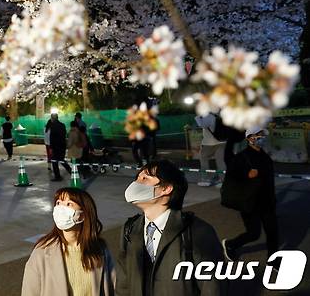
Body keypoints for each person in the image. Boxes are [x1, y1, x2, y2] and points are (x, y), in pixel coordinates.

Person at [116, 159, 225, 296]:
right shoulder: (130, 229)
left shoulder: (197, 232)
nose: (136, 183)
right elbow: (123, 283)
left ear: (166, 188)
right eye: (137, 178)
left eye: (145, 178)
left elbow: (213, 287)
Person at [22, 187, 115, 296]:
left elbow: (113, 286)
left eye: (68, 204)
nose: (60, 208)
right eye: (58, 203)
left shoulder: (100, 249)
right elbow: (30, 292)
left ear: (82, 215)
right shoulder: (42, 251)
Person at [222, 126, 278, 261]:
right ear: (249, 138)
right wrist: (246, 175)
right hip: (250, 202)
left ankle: (273, 260)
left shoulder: (265, 156)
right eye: (258, 135)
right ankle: (230, 244)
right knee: (254, 234)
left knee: (273, 232)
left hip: (267, 201)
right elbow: (232, 176)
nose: (261, 138)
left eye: (263, 135)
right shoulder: (242, 157)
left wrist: (272, 198)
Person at [195, 113, 226, 187]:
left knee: (203, 159)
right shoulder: (220, 114)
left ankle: (205, 179)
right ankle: (223, 180)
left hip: (209, 143)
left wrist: (197, 116)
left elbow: (201, 125)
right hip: (222, 141)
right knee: (221, 161)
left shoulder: (208, 116)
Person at [49, 113, 71, 181]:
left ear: (52, 118)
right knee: (61, 160)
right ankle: (71, 171)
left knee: (54, 161)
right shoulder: (62, 125)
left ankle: (57, 176)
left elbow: (52, 138)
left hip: (56, 147)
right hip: (62, 146)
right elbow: (64, 135)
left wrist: (51, 148)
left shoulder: (52, 126)